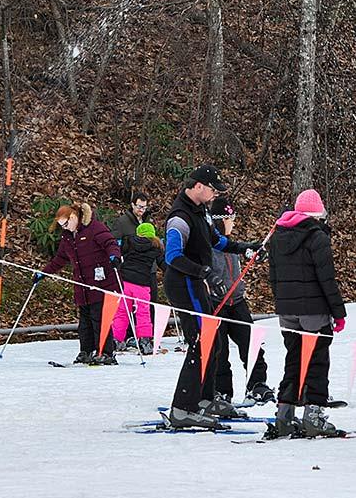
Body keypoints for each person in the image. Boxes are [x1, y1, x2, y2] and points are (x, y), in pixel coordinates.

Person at [162, 165, 262, 429]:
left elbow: (216, 241)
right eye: (212, 188)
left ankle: (205, 399)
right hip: (185, 283)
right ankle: (183, 407)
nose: (215, 193)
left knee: (214, 341)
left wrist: (245, 247)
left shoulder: (201, 212)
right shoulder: (180, 217)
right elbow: (172, 256)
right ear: (197, 186)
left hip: (196, 283)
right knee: (200, 342)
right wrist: (204, 272)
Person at [267, 189, 348, 437]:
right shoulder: (317, 237)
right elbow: (327, 279)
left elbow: (274, 277)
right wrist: (339, 312)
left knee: (293, 359)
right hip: (314, 311)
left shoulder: (277, 236)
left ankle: (284, 414)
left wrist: (282, 303)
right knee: (317, 362)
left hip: (287, 311)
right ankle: (314, 415)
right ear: (317, 214)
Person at [208, 196, 276, 406]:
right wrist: (212, 279)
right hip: (216, 303)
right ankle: (220, 391)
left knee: (251, 343)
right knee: (219, 350)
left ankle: (257, 384)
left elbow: (243, 250)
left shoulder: (231, 242)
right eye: (230, 218)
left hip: (236, 301)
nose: (234, 222)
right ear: (219, 220)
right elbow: (201, 266)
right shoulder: (210, 242)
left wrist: (254, 253)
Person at [37, 202, 123, 365]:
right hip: (82, 286)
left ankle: (105, 352)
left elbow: (110, 243)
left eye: (66, 223)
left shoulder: (94, 228)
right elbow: (60, 259)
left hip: (101, 283)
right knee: (84, 322)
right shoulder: (67, 237)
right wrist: (44, 273)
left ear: (74, 216)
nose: (65, 228)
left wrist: (114, 257)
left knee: (99, 318)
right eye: (61, 225)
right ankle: (86, 350)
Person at [111, 222, 164, 355]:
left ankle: (117, 339)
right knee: (143, 312)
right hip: (142, 283)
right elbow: (162, 263)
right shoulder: (156, 246)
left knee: (122, 312)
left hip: (125, 282)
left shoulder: (128, 242)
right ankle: (144, 340)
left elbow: (118, 251)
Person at [111, 192, 151, 350]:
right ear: (133, 205)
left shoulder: (148, 220)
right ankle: (123, 337)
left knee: (143, 308)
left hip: (146, 271)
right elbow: (115, 242)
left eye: (144, 207)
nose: (142, 210)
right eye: (139, 206)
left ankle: (143, 337)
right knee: (131, 309)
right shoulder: (122, 222)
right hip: (131, 272)